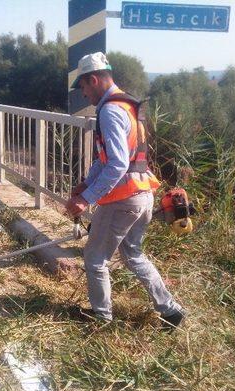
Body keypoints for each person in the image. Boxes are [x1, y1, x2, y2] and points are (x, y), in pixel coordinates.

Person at [65, 52, 186, 331]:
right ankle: (170, 310)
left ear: (93, 80)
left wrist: (86, 198)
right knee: (133, 255)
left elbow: (118, 164)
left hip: (122, 200)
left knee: (95, 259)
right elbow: (109, 158)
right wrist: (86, 182)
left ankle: (102, 319)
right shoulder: (129, 106)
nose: (83, 94)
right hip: (143, 194)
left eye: (83, 87)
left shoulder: (109, 110)